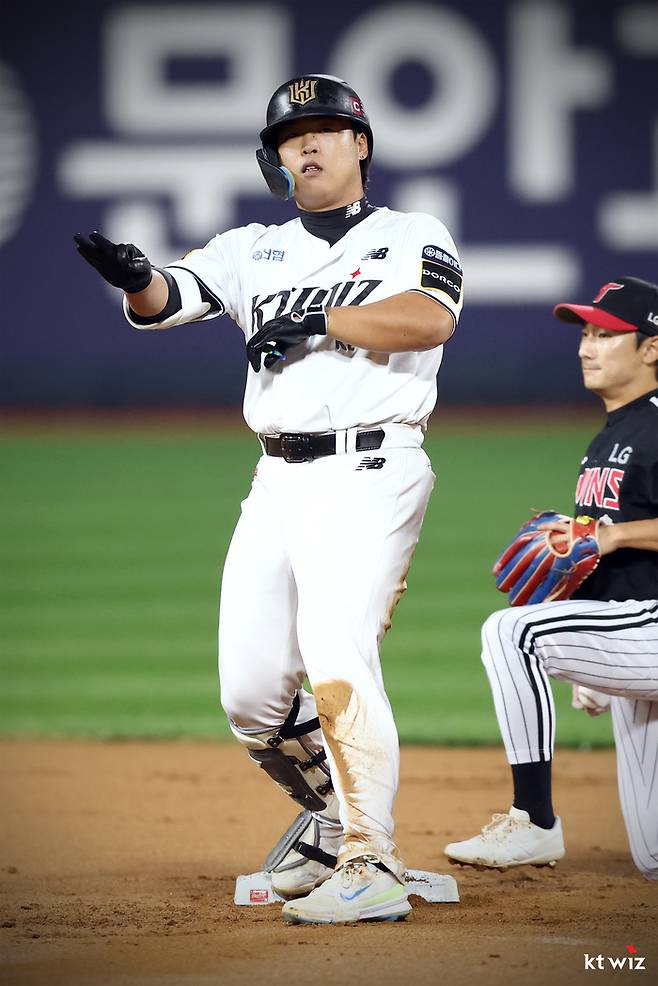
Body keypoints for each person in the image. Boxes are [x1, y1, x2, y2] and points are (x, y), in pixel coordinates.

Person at [74, 74, 464, 924]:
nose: (311, 145)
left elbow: (431, 319)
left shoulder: (410, 234)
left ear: (362, 145)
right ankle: (332, 823)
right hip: (276, 477)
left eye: (328, 130)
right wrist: (136, 276)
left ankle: (373, 859)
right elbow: (172, 298)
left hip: (371, 467)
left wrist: (325, 318)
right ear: (274, 158)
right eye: (294, 137)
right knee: (250, 696)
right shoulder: (252, 247)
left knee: (336, 649)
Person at [444, 276, 658, 880]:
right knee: (652, 857)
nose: (588, 347)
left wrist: (615, 533)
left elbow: (611, 538)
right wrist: (590, 661)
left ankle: (533, 822)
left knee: (511, 633)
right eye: (585, 334)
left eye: (607, 335)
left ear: (651, 348)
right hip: (634, 631)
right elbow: (603, 557)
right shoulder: (609, 437)